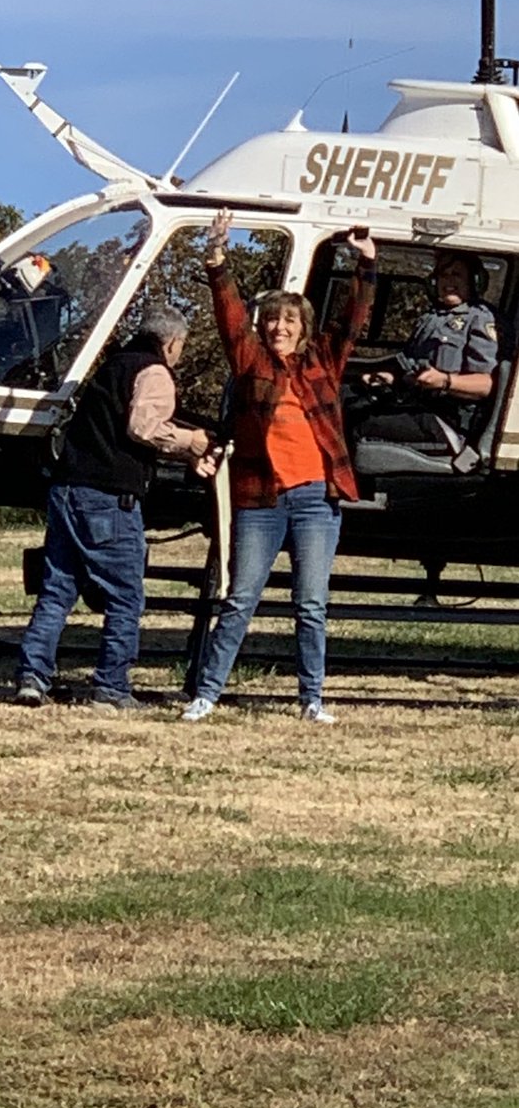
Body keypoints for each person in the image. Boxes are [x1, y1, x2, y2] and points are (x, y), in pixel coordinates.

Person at [182, 209, 376, 725]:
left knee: (311, 604)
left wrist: (366, 264)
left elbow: (352, 320)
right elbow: (228, 316)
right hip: (260, 499)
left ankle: (312, 700)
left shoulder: (323, 361)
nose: (279, 327)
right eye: (272, 320)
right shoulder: (251, 362)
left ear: (303, 328)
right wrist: (216, 260)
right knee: (240, 599)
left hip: (315, 499)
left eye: (289, 321)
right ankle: (206, 695)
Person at [15, 305, 215, 709]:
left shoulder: (112, 366)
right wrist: (191, 442)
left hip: (67, 489)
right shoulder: (154, 371)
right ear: (172, 342)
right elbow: (143, 428)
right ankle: (111, 687)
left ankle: (32, 677)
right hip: (109, 497)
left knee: (57, 589)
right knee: (125, 597)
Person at [358, 251, 498, 448]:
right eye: (443, 274)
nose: (448, 280)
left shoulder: (481, 318)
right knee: (349, 402)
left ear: (475, 281)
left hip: (449, 420)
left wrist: (445, 381)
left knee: (360, 423)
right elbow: (411, 366)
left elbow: (488, 385)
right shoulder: (431, 318)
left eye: (456, 274)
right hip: (417, 405)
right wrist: (391, 378)